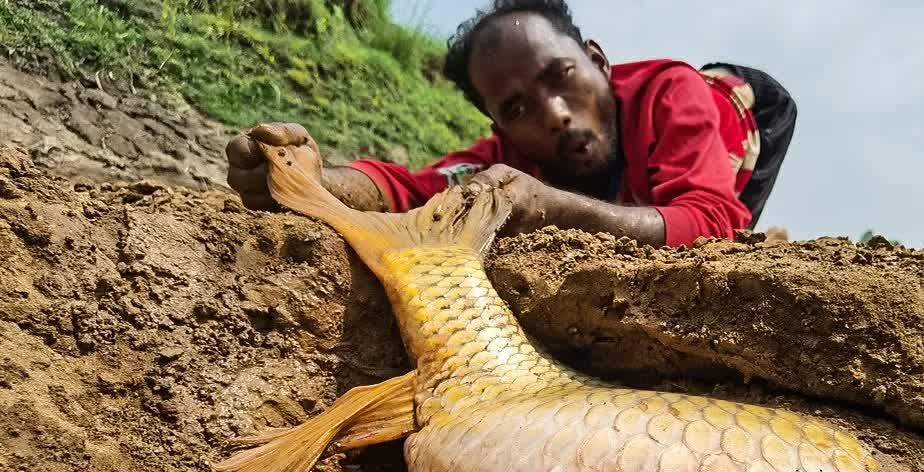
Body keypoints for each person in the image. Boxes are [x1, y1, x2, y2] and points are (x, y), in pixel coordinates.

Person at [225, 0, 796, 248]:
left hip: (747, 109)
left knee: (714, 244)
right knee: (636, 206)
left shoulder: (669, 93)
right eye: (518, 109)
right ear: (498, 126)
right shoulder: (509, 157)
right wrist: (312, 179)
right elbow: (411, 189)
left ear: (597, 60)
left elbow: (710, 218)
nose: (555, 113)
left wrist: (553, 206)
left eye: (563, 75)